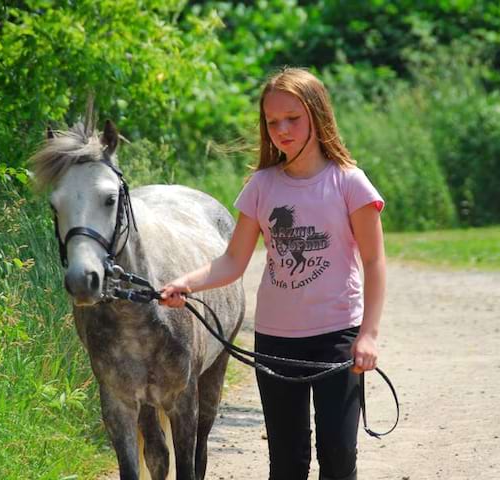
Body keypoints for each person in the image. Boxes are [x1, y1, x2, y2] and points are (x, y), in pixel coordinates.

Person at [160, 67, 386, 480]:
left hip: (337, 337)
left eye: (293, 119)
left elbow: (374, 262)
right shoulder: (262, 186)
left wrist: (368, 334)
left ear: (318, 115)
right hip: (276, 340)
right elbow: (232, 261)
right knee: (287, 460)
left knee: (338, 456)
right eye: (272, 122)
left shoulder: (349, 184)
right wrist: (185, 284)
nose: (282, 129)